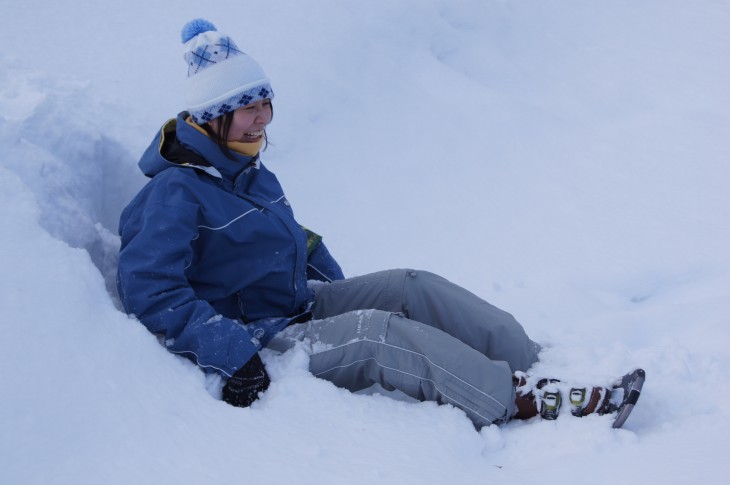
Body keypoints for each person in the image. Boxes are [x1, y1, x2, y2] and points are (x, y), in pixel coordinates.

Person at [117, 19, 619, 428]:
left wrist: (331, 276)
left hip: (295, 306)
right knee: (378, 333)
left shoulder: (245, 171)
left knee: (408, 286)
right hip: (256, 339)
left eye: (266, 102)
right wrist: (226, 348)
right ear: (211, 116)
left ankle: (532, 358)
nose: (264, 118)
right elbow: (150, 288)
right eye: (249, 108)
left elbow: (286, 235)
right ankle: (524, 399)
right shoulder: (174, 192)